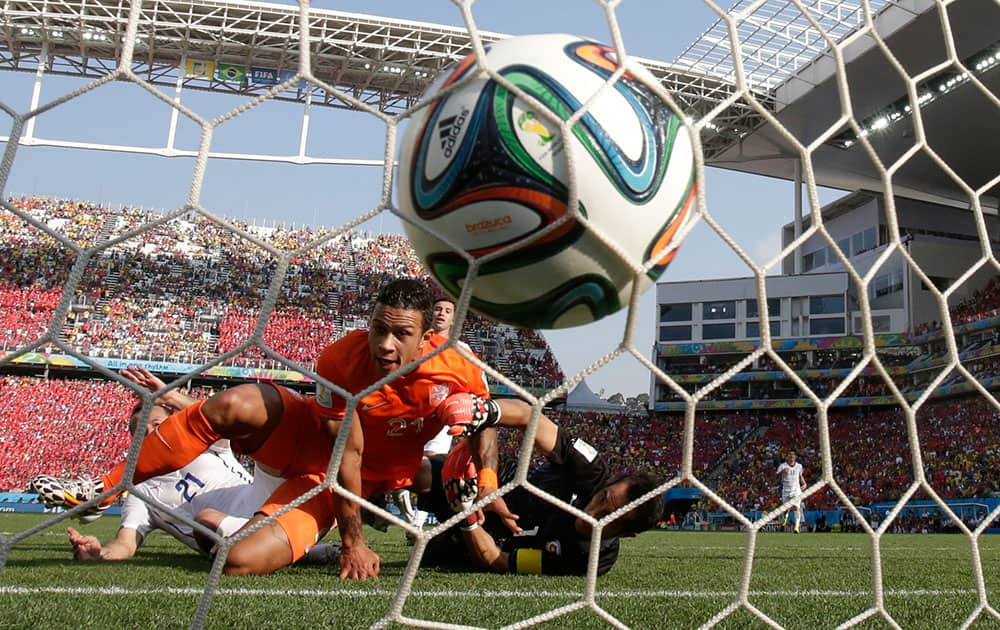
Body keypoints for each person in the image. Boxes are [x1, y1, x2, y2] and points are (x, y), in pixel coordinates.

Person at [30, 278, 505, 578]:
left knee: (239, 563)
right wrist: (353, 543)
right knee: (236, 402)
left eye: (400, 334)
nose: (383, 343)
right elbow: (347, 453)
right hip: (323, 453)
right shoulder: (340, 358)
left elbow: (489, 420)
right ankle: (107, 488)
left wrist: (488, 482)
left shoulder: (458, 368)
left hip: (337, 483)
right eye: (378, 327)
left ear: (427, 337)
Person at [61, 368, 337, 565]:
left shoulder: (202, 446)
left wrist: (170, 397)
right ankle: (302, 549)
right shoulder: (140, 492)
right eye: (139, 431)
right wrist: (100, 554)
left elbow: (225, 416)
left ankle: (349, 481)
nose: (148, 434)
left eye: (157, 425)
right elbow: (125, 543)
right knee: (206, 521)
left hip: (269, 495)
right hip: (224, 534)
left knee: (269, 436)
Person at [424, 398, 664, 576]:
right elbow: (529, 417)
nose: (591, 515)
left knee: (434, 554)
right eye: (602, 499)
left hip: (487, 533)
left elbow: (498, 560)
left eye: (609, 518)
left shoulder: (591, 559)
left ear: (626, 534)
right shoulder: (591, 470)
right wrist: (483, 410)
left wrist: (466, 515)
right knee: (420, 471)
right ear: (608, 483)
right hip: (500, 482)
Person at [777, 450, 807, 533]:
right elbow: (775, 477)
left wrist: (804, 483)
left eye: (793, 455)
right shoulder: (782, 466)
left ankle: (796, 527)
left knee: (796, 508)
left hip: (796, 491)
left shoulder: (799, 466)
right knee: (786, 509)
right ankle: (785, 517)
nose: (791, 456)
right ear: (787, 456)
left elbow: (800, 476)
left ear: (795, 457)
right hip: (786, 491)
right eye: (789, 454)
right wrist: (782, 472)